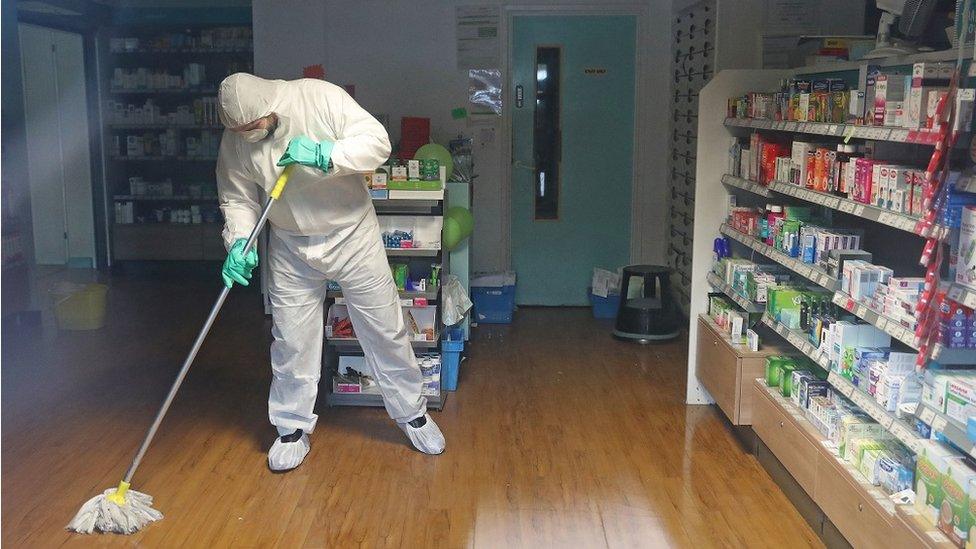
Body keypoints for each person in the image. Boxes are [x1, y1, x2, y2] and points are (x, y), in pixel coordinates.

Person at [215, 73, 445, 471]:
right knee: (291, 337)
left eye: (252, 128)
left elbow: (377, 143)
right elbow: (236, 195)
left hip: (351, 233)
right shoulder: (236, 139)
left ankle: (413, 413)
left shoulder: (318, 97)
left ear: (269, 110)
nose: (247, 137)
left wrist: (327, 155)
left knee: (383, 326)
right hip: (290, 242)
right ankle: (291, 427)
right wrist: (240, 240)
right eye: (238, 131)